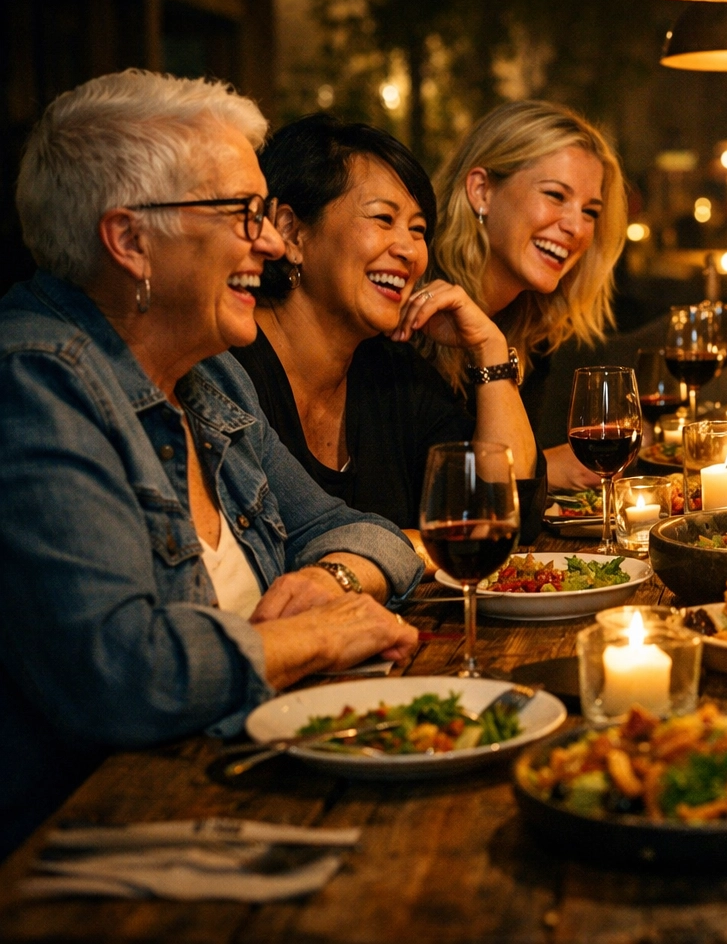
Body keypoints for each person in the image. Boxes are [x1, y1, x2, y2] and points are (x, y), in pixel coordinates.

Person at [0, 71, 421, 856]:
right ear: (130, 240)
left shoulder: (209, 377)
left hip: (235, 796)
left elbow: (368, 534)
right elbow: (119, 672)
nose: (272, 242)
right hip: (100, 851)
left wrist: (331, 579)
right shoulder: (34, 385)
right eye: (243, 214)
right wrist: (313, 638)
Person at [231, 114, 532, 530]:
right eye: (383, 219)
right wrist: (406, 548)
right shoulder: (229, 370)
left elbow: (503, 513)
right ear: (291, 231)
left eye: (418, 229)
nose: (409, 250)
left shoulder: (394, 373)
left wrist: (490, 348)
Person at [426, 100, 627, 489]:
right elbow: (457, 492)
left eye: (590, 212)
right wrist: (548, 467)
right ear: (481, 191)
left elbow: (510, 488)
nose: (576, 228)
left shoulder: (531, 327)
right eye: (555, 195)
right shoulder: (415, 311)